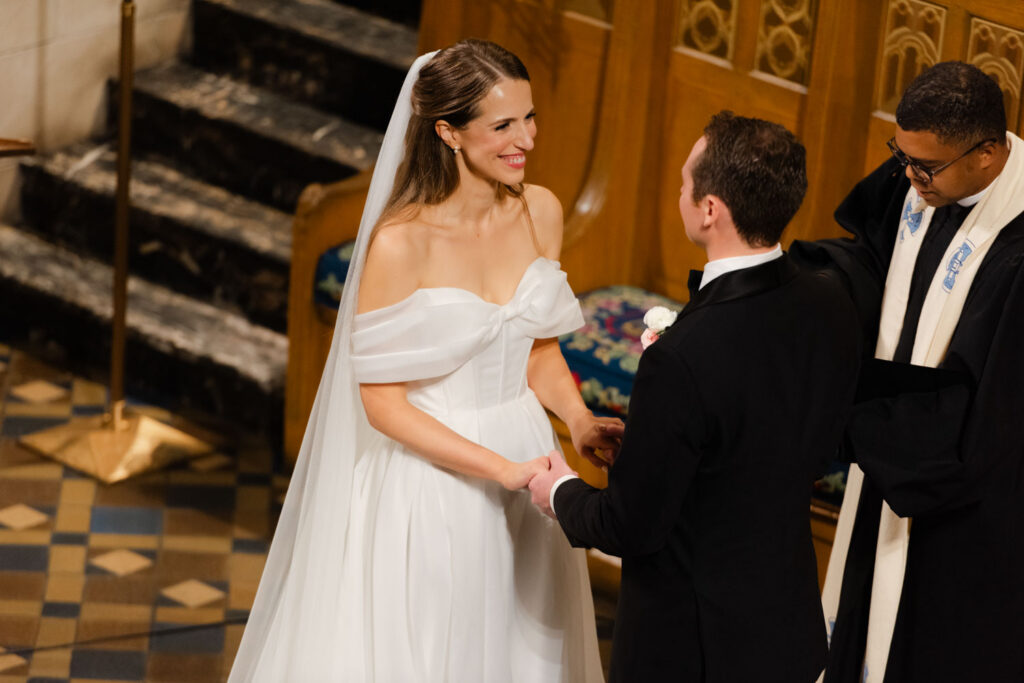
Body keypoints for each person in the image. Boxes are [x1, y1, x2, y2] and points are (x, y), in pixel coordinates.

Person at [228, 40, 621, 682]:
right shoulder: (399, 244)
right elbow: (383, 405)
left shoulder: (541, 211)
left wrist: (576, 421)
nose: (525, 138)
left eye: (529, 117)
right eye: (502, 125)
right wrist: (501, 469)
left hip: (530, 462)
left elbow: (536, 344)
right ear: (449, 132)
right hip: (436, 482)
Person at [528, 111, 862, 683]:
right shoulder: (830, 301)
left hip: (693, 645)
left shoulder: (682, 359)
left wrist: (557, 490)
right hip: (783, 624)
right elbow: (782, 433)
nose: (680, 192)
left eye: (686, 183)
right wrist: (666, 447)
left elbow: (628, 527)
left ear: (709, 210)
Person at [789, 61, 1024, 683]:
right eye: (902, 157)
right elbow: (870, 262)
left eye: (926, 166)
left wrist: (880, 428)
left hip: (968, 489)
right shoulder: (918, 181)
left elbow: (999, 394)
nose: (910, 178)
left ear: (988, 153)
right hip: (890, 452)